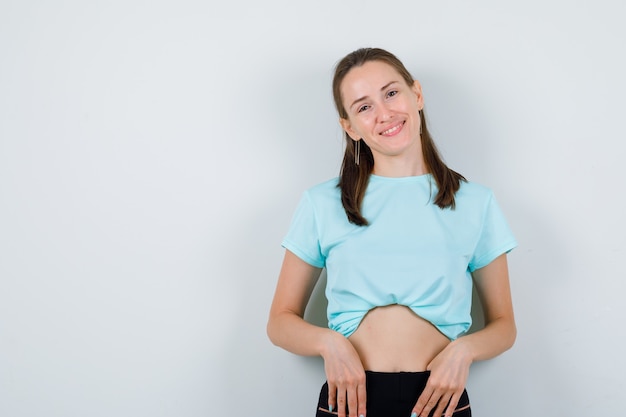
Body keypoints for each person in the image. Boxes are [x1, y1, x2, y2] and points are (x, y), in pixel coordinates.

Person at [267, 47, 517, 417]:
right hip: (351, 400)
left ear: (416, 94)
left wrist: (465, 351)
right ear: (349, 126)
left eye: (391, 93)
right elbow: (279, 321)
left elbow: (504, 326)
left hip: (439, 398)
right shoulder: (322, 203)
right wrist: (329, 343)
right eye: (364, 106)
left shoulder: (476, 202)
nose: (384, 113)